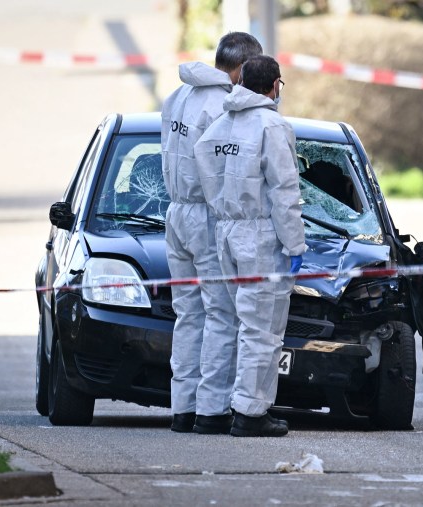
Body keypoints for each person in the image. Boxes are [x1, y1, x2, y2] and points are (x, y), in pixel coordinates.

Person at [194, 55, 306, 437]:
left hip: (224, 231)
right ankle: (250, 412)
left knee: (223, 321)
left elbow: (205, 176)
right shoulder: (272, 126)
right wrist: (295, 245)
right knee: (262, 328)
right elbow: (284, 193)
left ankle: (209, 410)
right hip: (258, 237)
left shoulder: (219, 126)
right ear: (274, 85)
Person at [161, 32, 263, 434]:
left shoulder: (178, 97)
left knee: (188, 314)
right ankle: (212, 409)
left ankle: (183, 408)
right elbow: (226, 167)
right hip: (206, 215)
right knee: (221, 313)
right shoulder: (223, 104)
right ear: (241, 69)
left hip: (175, 212)